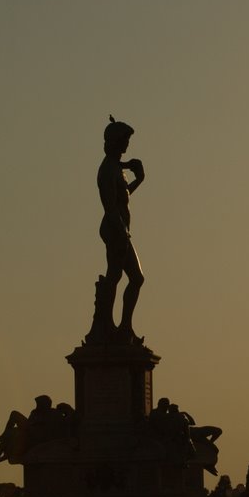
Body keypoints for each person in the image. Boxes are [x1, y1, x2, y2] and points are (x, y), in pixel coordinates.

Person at [96, 115, 145, 342]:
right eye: (124, 140)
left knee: (134, 278)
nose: (127, 145)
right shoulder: (107, 170)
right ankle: (108, 325)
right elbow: (110, 207)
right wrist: (123, 233)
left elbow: (122, 199)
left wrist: (139, 180)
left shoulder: (117, 168)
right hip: (116, 230)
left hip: (122, 229)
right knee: (116, 275)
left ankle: (124, 326)